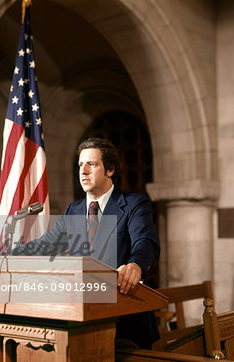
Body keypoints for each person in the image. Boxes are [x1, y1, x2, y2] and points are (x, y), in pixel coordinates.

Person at [12, 137, 160, 349]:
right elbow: (43, 246)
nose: (83, 171)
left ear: (109, 170)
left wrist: (135, 265)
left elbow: (145, 242)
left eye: (92, 164)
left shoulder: (134, 205)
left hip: (125, 325)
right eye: (81, 165)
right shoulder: (74, 211)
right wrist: (4, 259)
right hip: (80, 321)